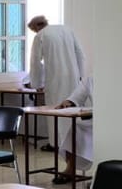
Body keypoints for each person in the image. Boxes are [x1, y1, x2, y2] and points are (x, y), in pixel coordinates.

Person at [27, 15, 87, 152]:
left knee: (54, 111)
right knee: (72, 111)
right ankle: (73, 143)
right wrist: (81, 77)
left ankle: (55, 144)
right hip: (73, 77)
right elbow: (80, 54)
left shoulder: (41, 36)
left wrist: (36, 84)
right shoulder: (67, 30)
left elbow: (35, 62)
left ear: (36, 27)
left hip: (55, 79)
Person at [53, 75, 93, 184]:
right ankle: (70, 169)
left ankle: (101, 175)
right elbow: (78, 94)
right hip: (95, 118)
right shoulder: (91, 78)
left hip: (114, 120)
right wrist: (69, 101)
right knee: (76, 128)